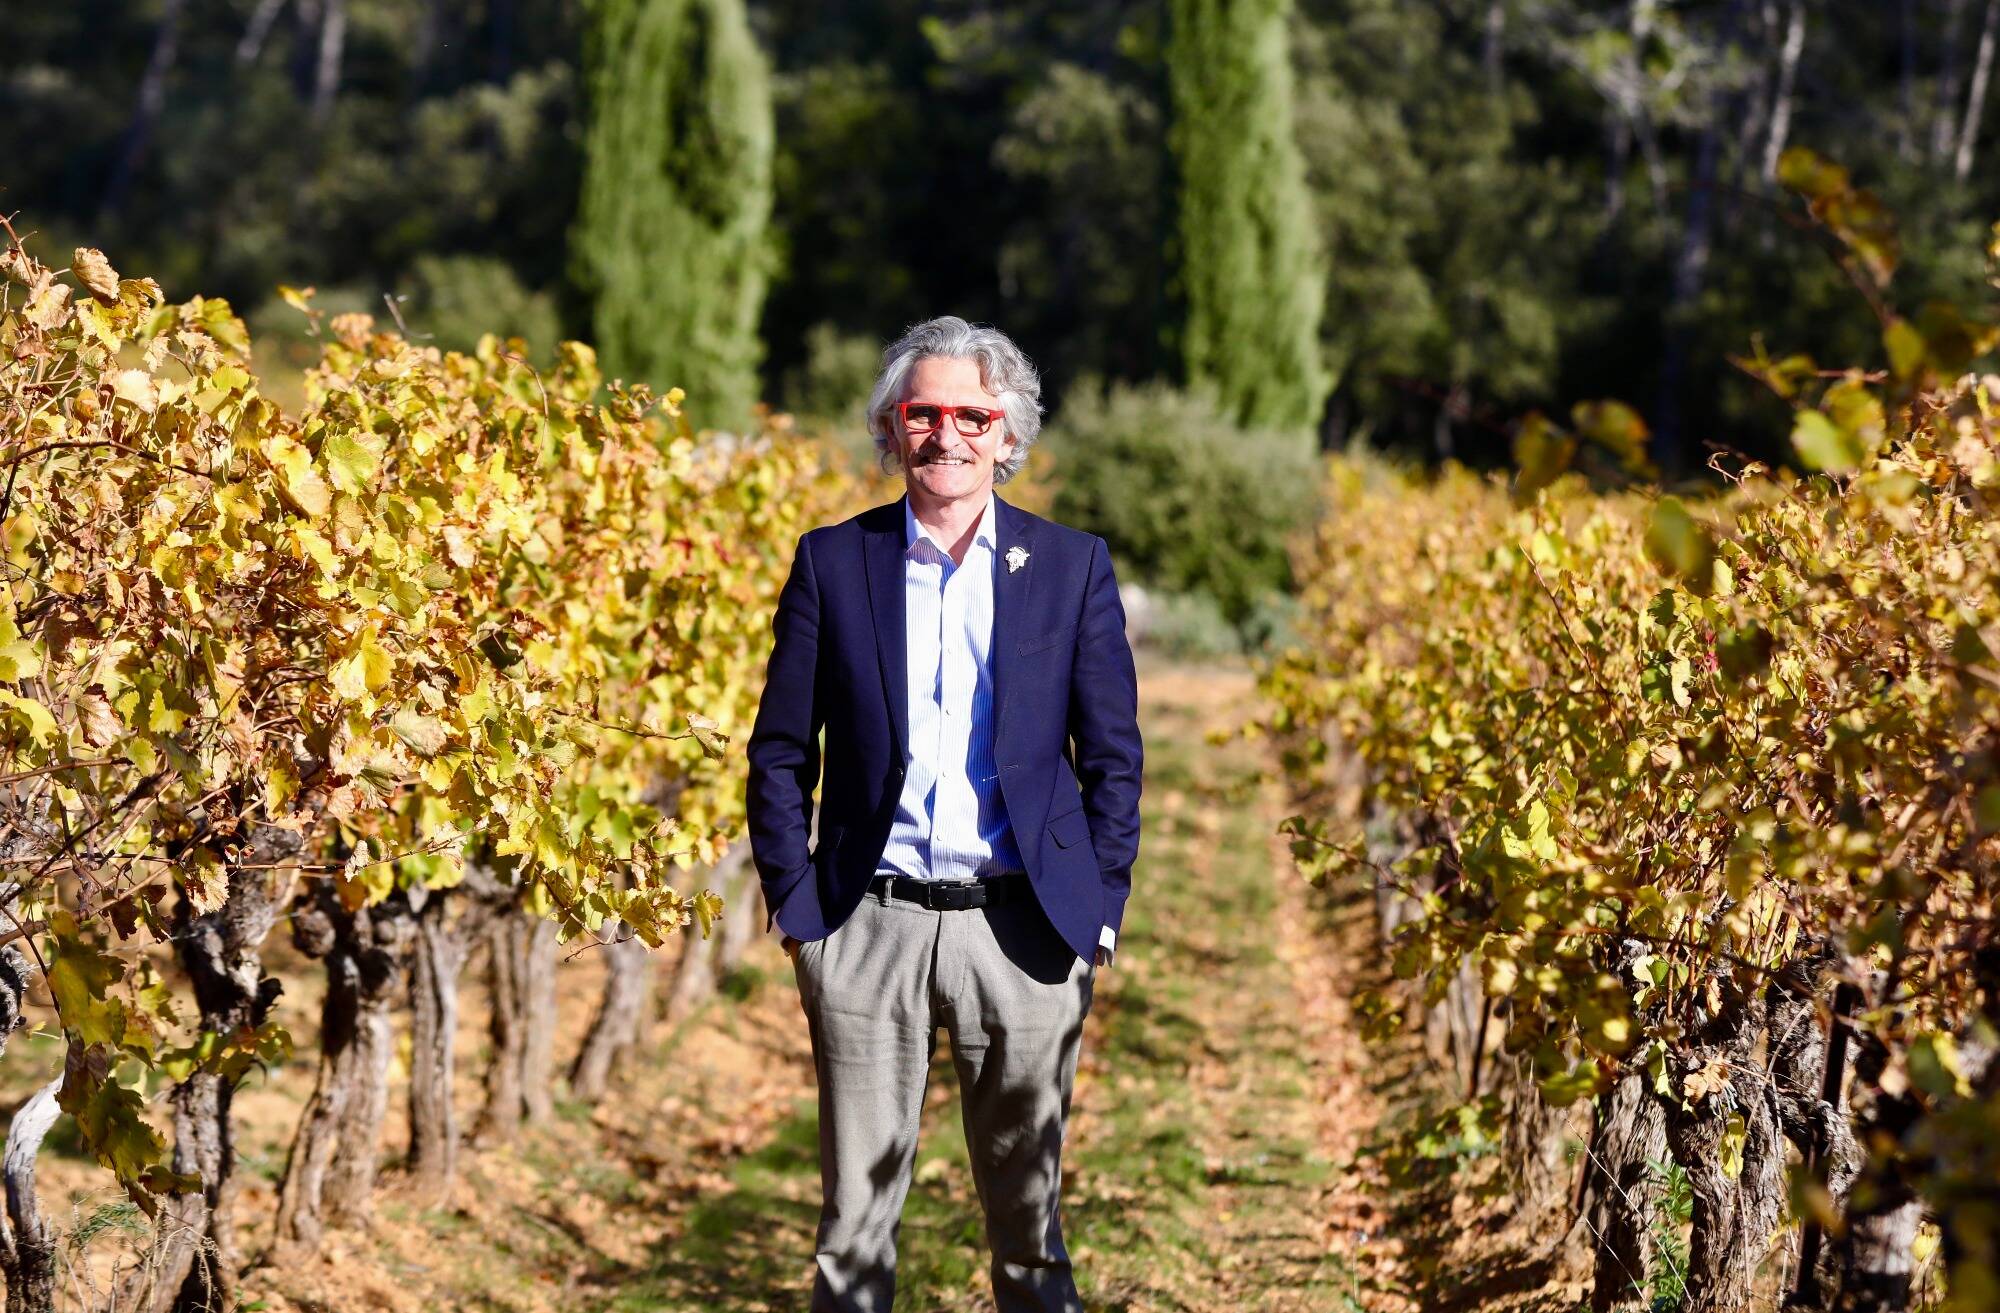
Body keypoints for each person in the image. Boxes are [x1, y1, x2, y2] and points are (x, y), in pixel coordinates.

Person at [745, 314, 1143, 1312]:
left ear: (1007, 434)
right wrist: (800, 909)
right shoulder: (834, 562)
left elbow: (1111, 760)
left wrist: (1094, 912)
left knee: (1027, 1224)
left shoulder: (1069, 565)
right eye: (923, 412)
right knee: (851, 1229)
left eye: (974, 413)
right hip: (863, 923)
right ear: (890, 427)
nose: (948, 433)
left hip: (1021, 930)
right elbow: (780, 750)